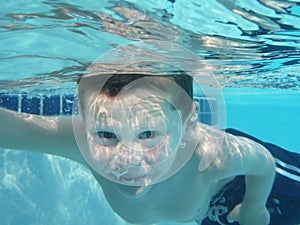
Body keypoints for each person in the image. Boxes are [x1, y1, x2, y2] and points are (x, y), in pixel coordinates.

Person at [0, 43, 299, 225]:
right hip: (206, 214)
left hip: (255, 191)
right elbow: (10, 128)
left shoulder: (211, 155)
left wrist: (254, 209)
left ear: (189, 124)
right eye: (106, 134)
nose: (127, 159)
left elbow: (263, 163)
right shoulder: (80, 143)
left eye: (148, 135)